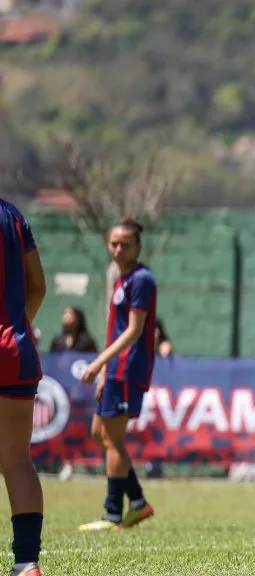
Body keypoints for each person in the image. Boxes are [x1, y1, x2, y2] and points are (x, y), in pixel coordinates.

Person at [77, 217, 157, 533]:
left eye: (125, 244)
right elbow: (117, 329)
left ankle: (113, 514)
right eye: (113, 243)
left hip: (128, 369)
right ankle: (137, 502)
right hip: (115, 369)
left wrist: (99, 363)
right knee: (100, 433)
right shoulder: (120, 280)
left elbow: (135, 331)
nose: (118, 249)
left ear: (137, 247)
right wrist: (103, 373)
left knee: (112, 439)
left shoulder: (142, 280)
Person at [0, 199, 47, 576]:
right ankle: (26, 563)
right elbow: (38, 286)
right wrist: (19, 326)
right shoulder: (13, 216)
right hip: (17, 350)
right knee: (17, 459)